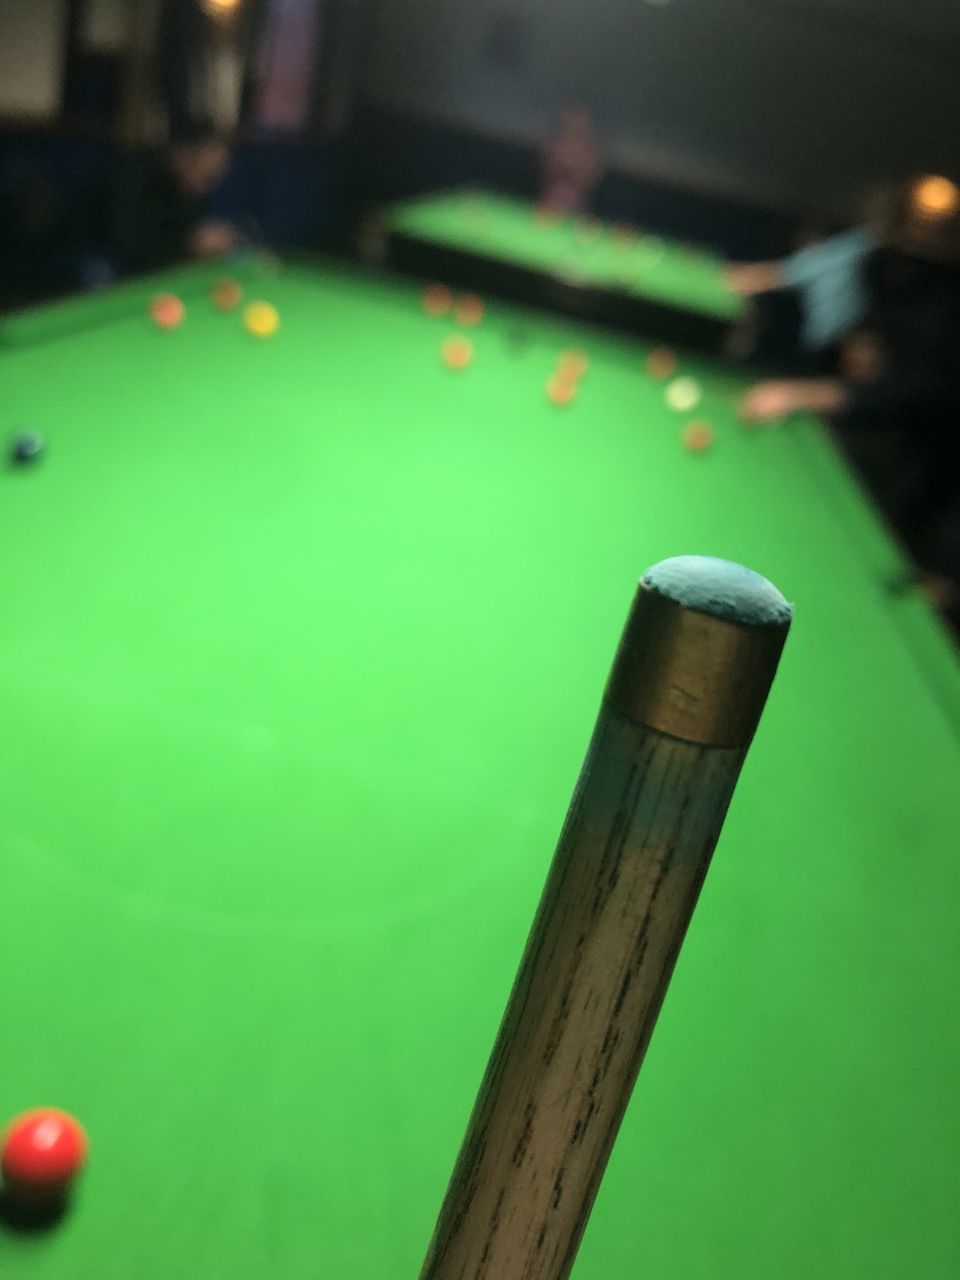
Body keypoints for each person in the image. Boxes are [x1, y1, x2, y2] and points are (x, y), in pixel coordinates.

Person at [725, 220, 879, 365]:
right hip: (833, 340)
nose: (804, 254)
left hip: (830, 347)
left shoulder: (829, 256)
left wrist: (739, 277)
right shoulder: (852, 247)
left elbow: (771, 277)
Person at [115, 120, 240, 276]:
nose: (214, 181)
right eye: (206, 174)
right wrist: (190, 244)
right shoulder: (138, 180)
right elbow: (131, 248)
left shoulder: (194, 188)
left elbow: (186, 232)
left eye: (217, 173)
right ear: (182, 157)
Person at [539, 103, 604, 216]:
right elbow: (547, 172)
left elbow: (591, 177)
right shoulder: (555, 147)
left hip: (579, 205)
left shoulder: (590, 153)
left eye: (578, 126)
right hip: (549, 201)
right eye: (569, 125)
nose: (573, 128)